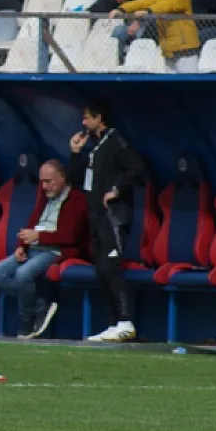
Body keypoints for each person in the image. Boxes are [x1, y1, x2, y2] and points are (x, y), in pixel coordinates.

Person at [69, 100, 145, 343]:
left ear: (99, 117)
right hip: (96, 215)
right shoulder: (94, 145)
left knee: (111, 268)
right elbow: (79, 178)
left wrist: (116, 190)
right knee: (101, 270)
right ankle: (113, 323)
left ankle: (126, 321)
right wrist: (75, 154)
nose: (83, 122)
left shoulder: (116, 141)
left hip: (113, 216)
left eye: (87, 117)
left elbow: (136, 168)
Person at [0, 159, 87, 340]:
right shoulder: (44, 198)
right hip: (34, 247)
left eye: (49, 181)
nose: (45, 186)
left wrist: (38, 237)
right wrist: (22, 247)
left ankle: (26, 323)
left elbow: (69, 236)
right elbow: (33, 224)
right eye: (42, 182)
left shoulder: (77, 199)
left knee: (22, 275)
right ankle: (40, 302)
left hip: (55, 250)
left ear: (62, 178)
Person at [111, 0, 200, 66]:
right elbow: (144, 2)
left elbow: (168, 5)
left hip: (186, 49)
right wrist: (122, 9)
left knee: (188, 80)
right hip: (169, 49)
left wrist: (149, 11)